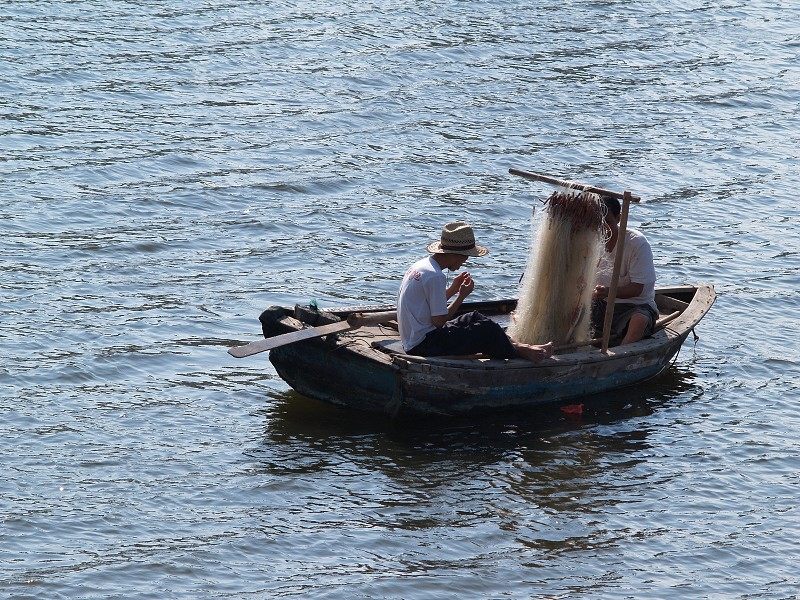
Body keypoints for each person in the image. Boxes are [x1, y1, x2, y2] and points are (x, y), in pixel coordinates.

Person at [397, 221, 553, 362]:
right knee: (485, 330)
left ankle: (519, 345)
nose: (465, 262)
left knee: (474, 317)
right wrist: (461, 297)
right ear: (455, 254)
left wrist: (452, 290)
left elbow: (428, 304)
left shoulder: (423, 266)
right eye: (465, 257)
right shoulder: (436, 276)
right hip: (423, 344)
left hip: (414, 337)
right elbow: (439, 321)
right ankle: (522, 352)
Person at [591, 196, 658, 346]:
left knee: (639, 320)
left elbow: (637, 288)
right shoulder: (591, 240)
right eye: (598, 222)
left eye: (607, 221)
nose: (602, 227)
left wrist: (609, 291)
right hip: (602, 303)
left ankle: (620, 354)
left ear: (618, 218)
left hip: (634, 306)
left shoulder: (637, 243)